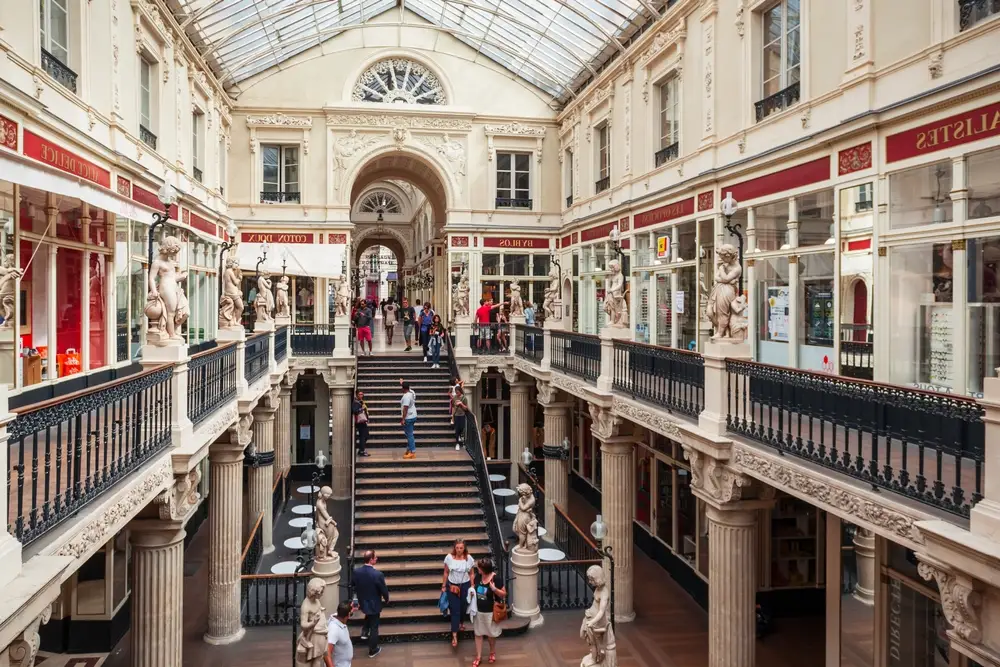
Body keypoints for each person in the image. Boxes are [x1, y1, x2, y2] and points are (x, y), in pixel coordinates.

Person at [352, 550, 389, 658]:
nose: (377, 559)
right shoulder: (378, 574)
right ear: (371, 559)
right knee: (374, 626)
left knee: (369, 614)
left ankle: (364, 631)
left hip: (363, 601)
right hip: (374, 603)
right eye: (375, 557)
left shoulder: (357, 572)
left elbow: (353, 584)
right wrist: (386, 598)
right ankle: (373, 650)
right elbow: (383, 589)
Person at [471, 558, 506, 667]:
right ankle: (478, 656)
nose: (478, 570)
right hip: (478, 611)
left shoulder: (496, 578)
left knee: (491, 634)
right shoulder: (478, 576)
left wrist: (494, 589)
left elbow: (504, 594)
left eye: (479, 568)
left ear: (484, 569)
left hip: (490, 612)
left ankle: (492, 652)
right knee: (478, 633)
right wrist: (471, 591)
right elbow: (474, 586)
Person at [442, 539, 476, 648]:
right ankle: (454, 634)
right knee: (455, 609)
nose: (459, 550)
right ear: (454, 548)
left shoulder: (468, 559)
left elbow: (471, 574)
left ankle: (461, 623)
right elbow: (446, 572)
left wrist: (472, 585)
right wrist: (443, 585)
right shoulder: (449, 558)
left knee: (463, 606)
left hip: (465, 586)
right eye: (457, 548)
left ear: (464, 548)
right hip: (452, 586)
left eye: (461, 548)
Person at [325, 600, 353, 667]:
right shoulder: (334, 629)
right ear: (348, 615)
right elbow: (326, 654)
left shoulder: (338, 616)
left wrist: (351, 608)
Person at [400, 380, 418, 459]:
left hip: (408, 417)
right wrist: (403, 383)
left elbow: (405, 408)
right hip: (413, 415)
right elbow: (408, 389)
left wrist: (403, 419)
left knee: (409, 434)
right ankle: (409, 448)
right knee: (409, 434)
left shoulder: (406, 397)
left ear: (403, 389)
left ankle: (412, 452)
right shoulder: (412, 393)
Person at [351, 390, 370, 457]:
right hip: (360, 422)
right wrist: (361, 408)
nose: (361, 395)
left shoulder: (361, 402)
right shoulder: (355, 402)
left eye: (362, 394)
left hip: (363, 421)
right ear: (356, 395)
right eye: (359, 394)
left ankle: (361, 449)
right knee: (363, 436)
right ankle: (362, 451)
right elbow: (355, 411)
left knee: (366, 435)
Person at [451, 385, 468, 451]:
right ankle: (457, 443)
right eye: (456, 392)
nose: (457, 393)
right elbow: (453, 407)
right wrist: (452, 416)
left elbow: (466, 408)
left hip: (462, 415)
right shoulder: (454, 398)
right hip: (456, 415)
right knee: (457, 429)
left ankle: (460, 437)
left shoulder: (464, 398)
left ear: (460, 391)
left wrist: (461, 404)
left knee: (462, 427)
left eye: (458, 392)